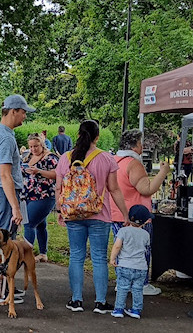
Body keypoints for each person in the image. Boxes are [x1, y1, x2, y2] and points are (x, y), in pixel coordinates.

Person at [54, 119, 127, 314]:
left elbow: (59, 188)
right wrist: (125, 213)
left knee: (76, 256)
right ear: (97, 136)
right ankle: (100, 302)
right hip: (99, 214)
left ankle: (76, 300)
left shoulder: (65, 158)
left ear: (78, 134)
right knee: (99, 258)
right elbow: (114, 189)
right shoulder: (106, 158)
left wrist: (61, 211)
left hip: (73, 215)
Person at [113, 130, 171, 296]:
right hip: (137, 217)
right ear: (135, 145)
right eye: (140, 143)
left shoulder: (115, 160)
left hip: (116, 213)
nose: (142, 146)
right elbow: (147, 189)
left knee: (121, 251)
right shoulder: (133, 164)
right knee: (140, 251)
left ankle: (122, 282)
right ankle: (141, 284)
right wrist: (163, 172)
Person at [0, 95, 31, 254]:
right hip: (4, 195)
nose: (25, 116)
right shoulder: (5, 138)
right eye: (23, 112)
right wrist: (15, 207)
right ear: (13, 111)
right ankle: (4, 278)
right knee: (5, 245)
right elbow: (5, 175)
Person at [110, 205, 153, 319]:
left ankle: (118, 309)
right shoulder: (146, 234)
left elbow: (117, 246)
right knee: (138, 289)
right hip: (141, 267)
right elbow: (146, 247)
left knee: (122, 287)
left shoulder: (123, 231)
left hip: (125, 265)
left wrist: (113, 258)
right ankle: (136, 310)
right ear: (144, 222)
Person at [21, 133, 58, 263]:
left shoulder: (50, 158)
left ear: (42, 145)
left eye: (36, 146)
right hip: (29, 195)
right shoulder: (28, 156)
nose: (33, 149)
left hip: (44, 195)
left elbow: (56, 174)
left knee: (29, 223)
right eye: (31, 146)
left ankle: (27, 255)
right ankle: (43, 253)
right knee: (40, 224)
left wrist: (39, 171)